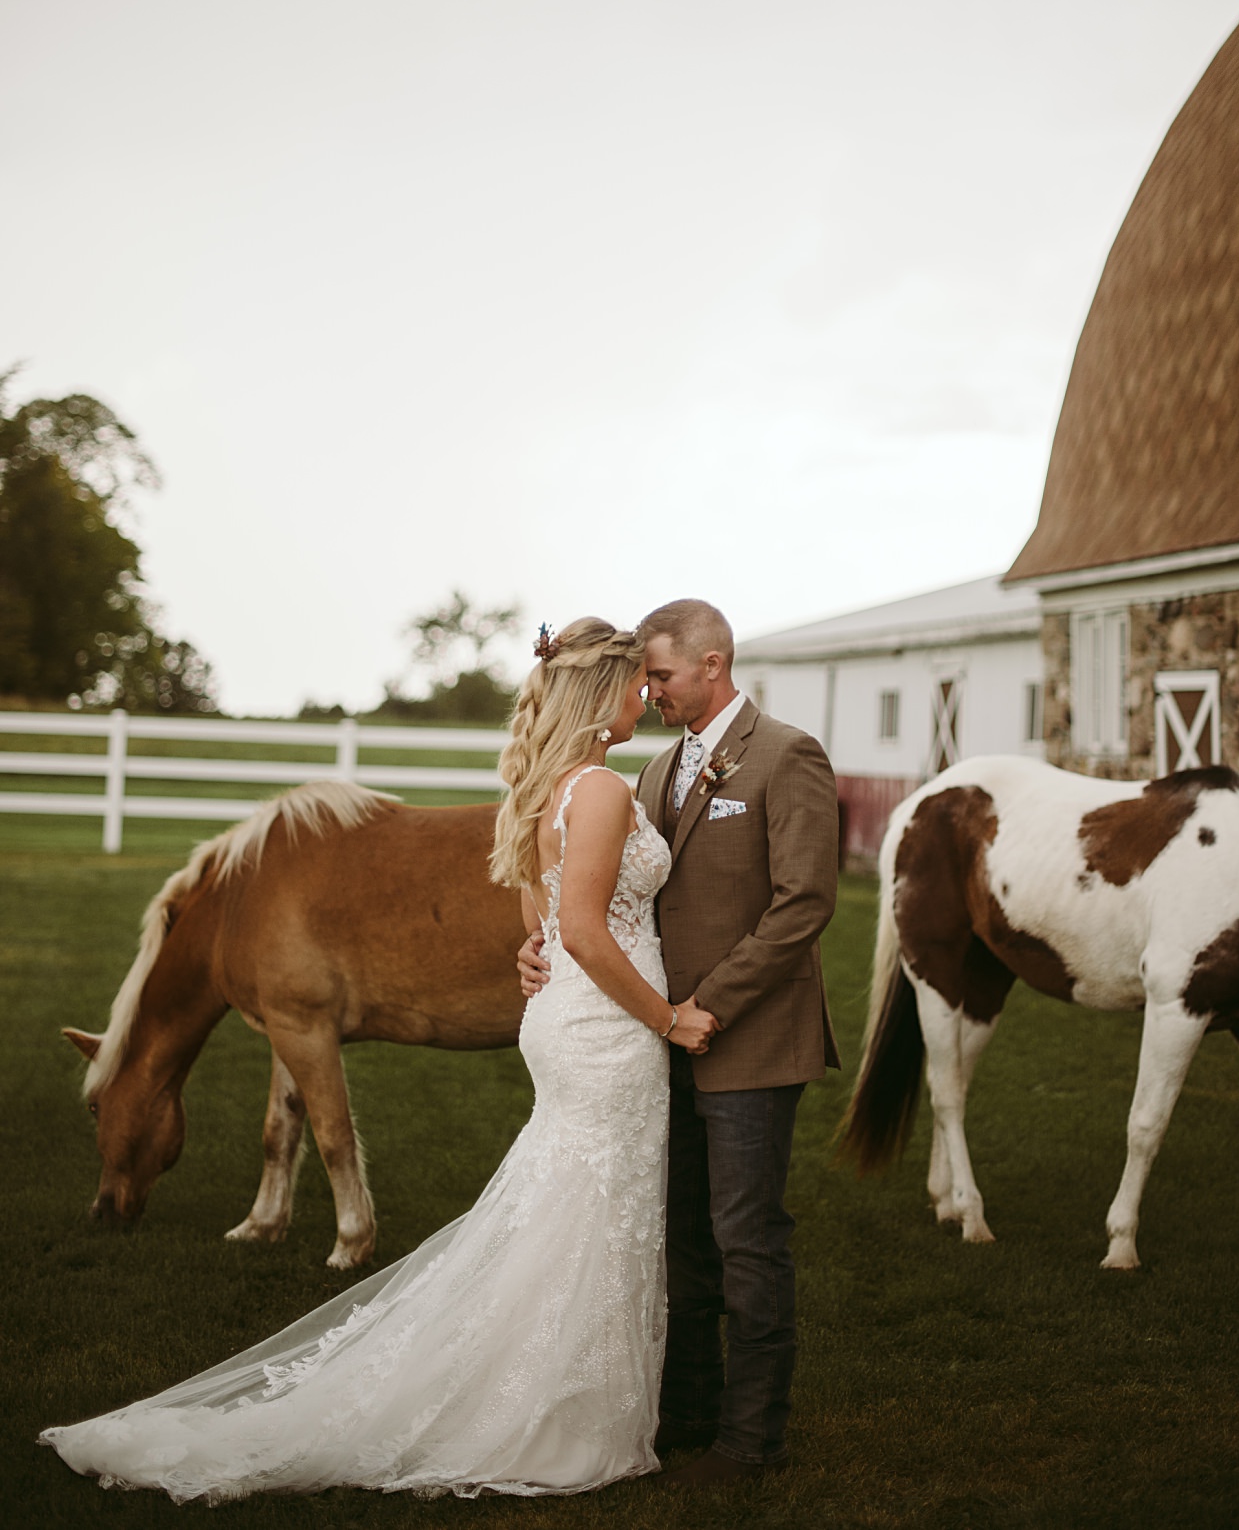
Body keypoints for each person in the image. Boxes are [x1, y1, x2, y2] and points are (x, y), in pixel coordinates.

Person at [40, 618, 715, 1503]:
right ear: (601, 693)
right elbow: (583, 930)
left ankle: (554, 1395)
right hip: (608, 1030)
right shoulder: (598, 792)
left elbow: (540, 926)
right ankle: (556, 1410)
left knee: (569, 1210)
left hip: (567, 1023)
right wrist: (669, 1020)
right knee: (592, 1211)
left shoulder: (547, 788)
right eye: (635, 684)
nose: (645, 698)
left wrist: (537, 953)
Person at [519, 597, 840, 1489]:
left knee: (747, 1238)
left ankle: (752, 1438)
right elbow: (611, 892)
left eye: (659, 674)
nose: (648, 689)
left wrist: (706, 1004)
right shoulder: (654, 768)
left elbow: (805, 902)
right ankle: (686, 1412)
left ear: (712, 662)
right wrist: (542, 936)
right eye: (642, 677)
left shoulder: (788, 755)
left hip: (749, 1037)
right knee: (683, 1240)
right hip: (658, 1038)